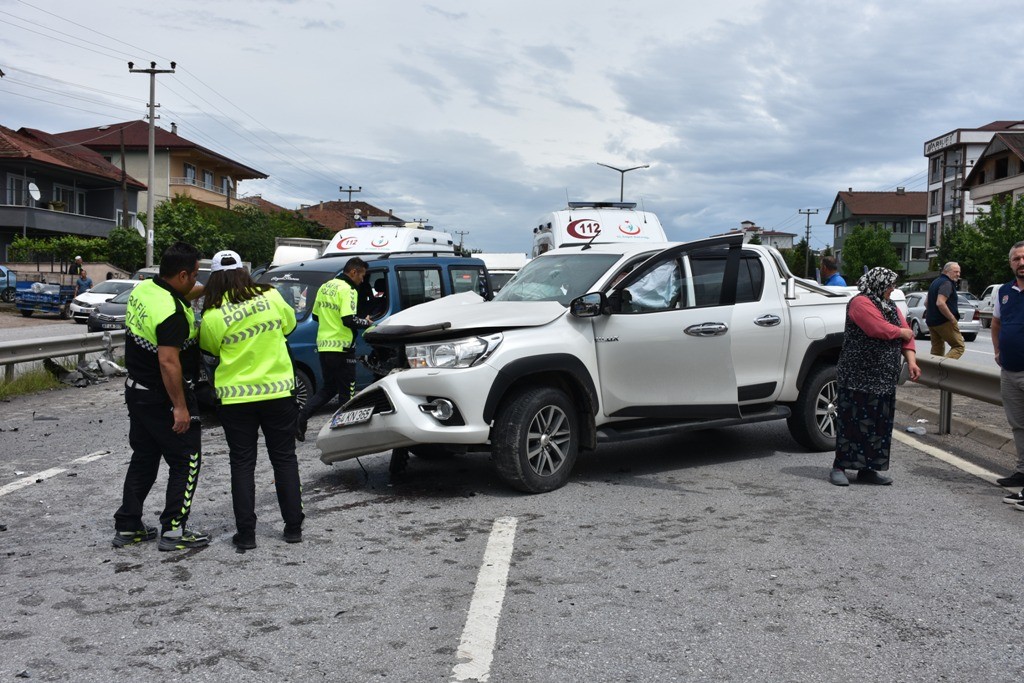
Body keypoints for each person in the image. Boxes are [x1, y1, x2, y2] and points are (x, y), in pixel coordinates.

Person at [199, 250, 304, 549]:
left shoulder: (213, 314)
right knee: (284, 458)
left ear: (215, 278)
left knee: (242, 464)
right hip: (278, 391)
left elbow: (210, 350)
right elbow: (289, 327)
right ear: (244, 272)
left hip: (236, 398)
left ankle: (246, 535)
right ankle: (293, 527)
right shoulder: (270, 296)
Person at [112, 242, 210, 551]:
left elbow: (188, 292)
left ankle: (128, 527)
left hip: (136, 391)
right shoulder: (172, 314)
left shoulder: (144, 290)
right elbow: (169, 362)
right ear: (181, 274)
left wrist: (211, 288)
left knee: (144, 459)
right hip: (163, 397)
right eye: (194, 275)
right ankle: (174, 531)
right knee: (186, 460)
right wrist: (180, 407)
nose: (196, 281)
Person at [830, 267, 921, 486]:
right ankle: (840, 466)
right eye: (889, 285)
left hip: (883, 378)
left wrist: (911, 361)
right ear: (878, 283)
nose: (892, 289)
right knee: (853, 421)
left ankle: (869, 468)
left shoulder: (889, 305)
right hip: (857, 376)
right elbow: (876, 328)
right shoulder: (860, 302)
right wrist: (901, 332)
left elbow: (906, 332)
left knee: (878, 424)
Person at [296, 257, 371, 441]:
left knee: (328, 389)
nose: (362, 280)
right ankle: (343, 435)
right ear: (353, 272)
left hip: (324, 346)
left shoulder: (326, 286)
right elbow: (349, 320)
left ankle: (300, 417)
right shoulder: (349, 290)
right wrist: (367, 322)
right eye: (362, 275)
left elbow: (315, 316)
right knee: (348, 393)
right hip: (343, 349)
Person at [991, 241, 1024, 493]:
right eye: (1016, 259)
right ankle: (1022, 471)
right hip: (1009, 370)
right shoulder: (1004, 291)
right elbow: (996, 324)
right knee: (1017, 424)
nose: (1021, 263)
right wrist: (997, 351)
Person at [925, 262, 965, 359]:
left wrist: (933, 313)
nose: (958, 274)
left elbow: (926, 303)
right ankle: (942, 368)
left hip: (931, 322)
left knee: (937, 349)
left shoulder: (935, 282)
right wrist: (952, 318)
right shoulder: (947, 283)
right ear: (946, 271)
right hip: (944, 321)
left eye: (959, 272)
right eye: (955, 272)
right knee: (958, 346)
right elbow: (940, 302)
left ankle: (933, 371)